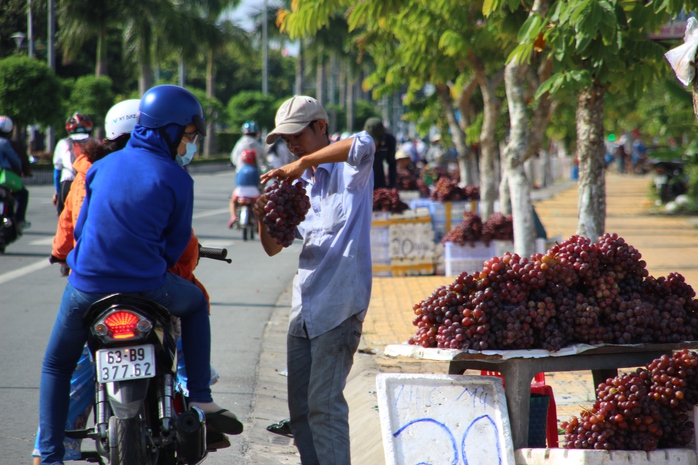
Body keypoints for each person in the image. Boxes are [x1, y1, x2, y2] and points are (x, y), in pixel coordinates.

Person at [38, 85, 241, 465]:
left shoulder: (99, 167)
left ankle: (48, 456)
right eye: (188, 136)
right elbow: (176, 244)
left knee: (57, 364)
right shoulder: (177, 177)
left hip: (86, 289)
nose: (188, 145)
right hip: (148, 286)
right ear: (169, 130)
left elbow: (81, 229)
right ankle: (198, 395)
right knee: (196, 304)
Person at [253, 95, 375, 465]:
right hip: (303, 309)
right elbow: (273, 248)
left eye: (297, 137)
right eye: (286, 142)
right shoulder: (298, 183)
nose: (292, 147)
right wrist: (262, 215)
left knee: (324, 405)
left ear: (320, 127)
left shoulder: (350, 169)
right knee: (301, 410)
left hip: (339, 306)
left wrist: (304, 161)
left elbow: (362, 143)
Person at [52, 113, 94, 215]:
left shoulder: (62, 143)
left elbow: (57, 171)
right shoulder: (95, 142)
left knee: (63, 217)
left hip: (67, 183)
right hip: (89, 183)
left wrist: (57, 192)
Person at [0, 115, 30, 230]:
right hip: (4, 178)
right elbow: (15, 160)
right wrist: (20, 170)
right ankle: (19, 220)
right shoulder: (4, 143)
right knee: (23, 194)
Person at [228, 148, 261, 228]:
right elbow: (258, 183)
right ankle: (258, 219)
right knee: (258, 203)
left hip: (240, 191)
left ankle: (233, 217)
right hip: (253, 191)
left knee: (233, 201)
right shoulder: (255, 170)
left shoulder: (239, 169)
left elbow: (237, 183)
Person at [363, 117, 397, 189]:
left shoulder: (389, 141)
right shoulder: (359, 144)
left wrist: (392, 186)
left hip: (379, 181)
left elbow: (392, 163)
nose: (376, 143)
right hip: (362, 182)